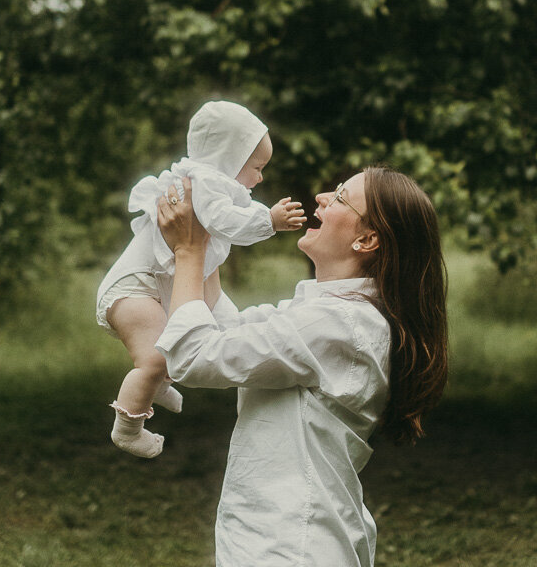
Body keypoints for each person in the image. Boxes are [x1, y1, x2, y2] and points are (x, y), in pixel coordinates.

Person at [155, 167, 448, 567]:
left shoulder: (339, 323)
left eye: (341, 197)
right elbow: (223, 329)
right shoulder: (322, 312)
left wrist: (187, 251)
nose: (323, 197)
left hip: (293, 547)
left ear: (367, 240)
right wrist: (208, 235)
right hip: (285, 538)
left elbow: (192, 354)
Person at [96, 100, 305, 458]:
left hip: (162, 280)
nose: (260, 178)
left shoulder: (209, 183)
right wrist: (269, 221)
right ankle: (128, 427)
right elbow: (226, 221)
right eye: (256, 167)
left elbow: (227, 220)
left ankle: (157, 386)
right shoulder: (204, 184)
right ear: (229, 158)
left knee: (211, 328)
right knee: (155, 358)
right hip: (134, 289)